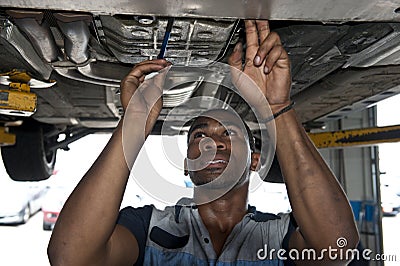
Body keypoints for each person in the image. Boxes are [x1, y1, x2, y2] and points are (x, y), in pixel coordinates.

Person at [47, 20, 359, 265]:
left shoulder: (277, 236)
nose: (214, 142)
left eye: (230, 133)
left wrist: (275, 108)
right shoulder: (150, 229)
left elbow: (337, 247)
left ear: (254, 160)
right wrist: (133, 125)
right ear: (187, 162)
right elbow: (72, 257)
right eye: (200, 134)